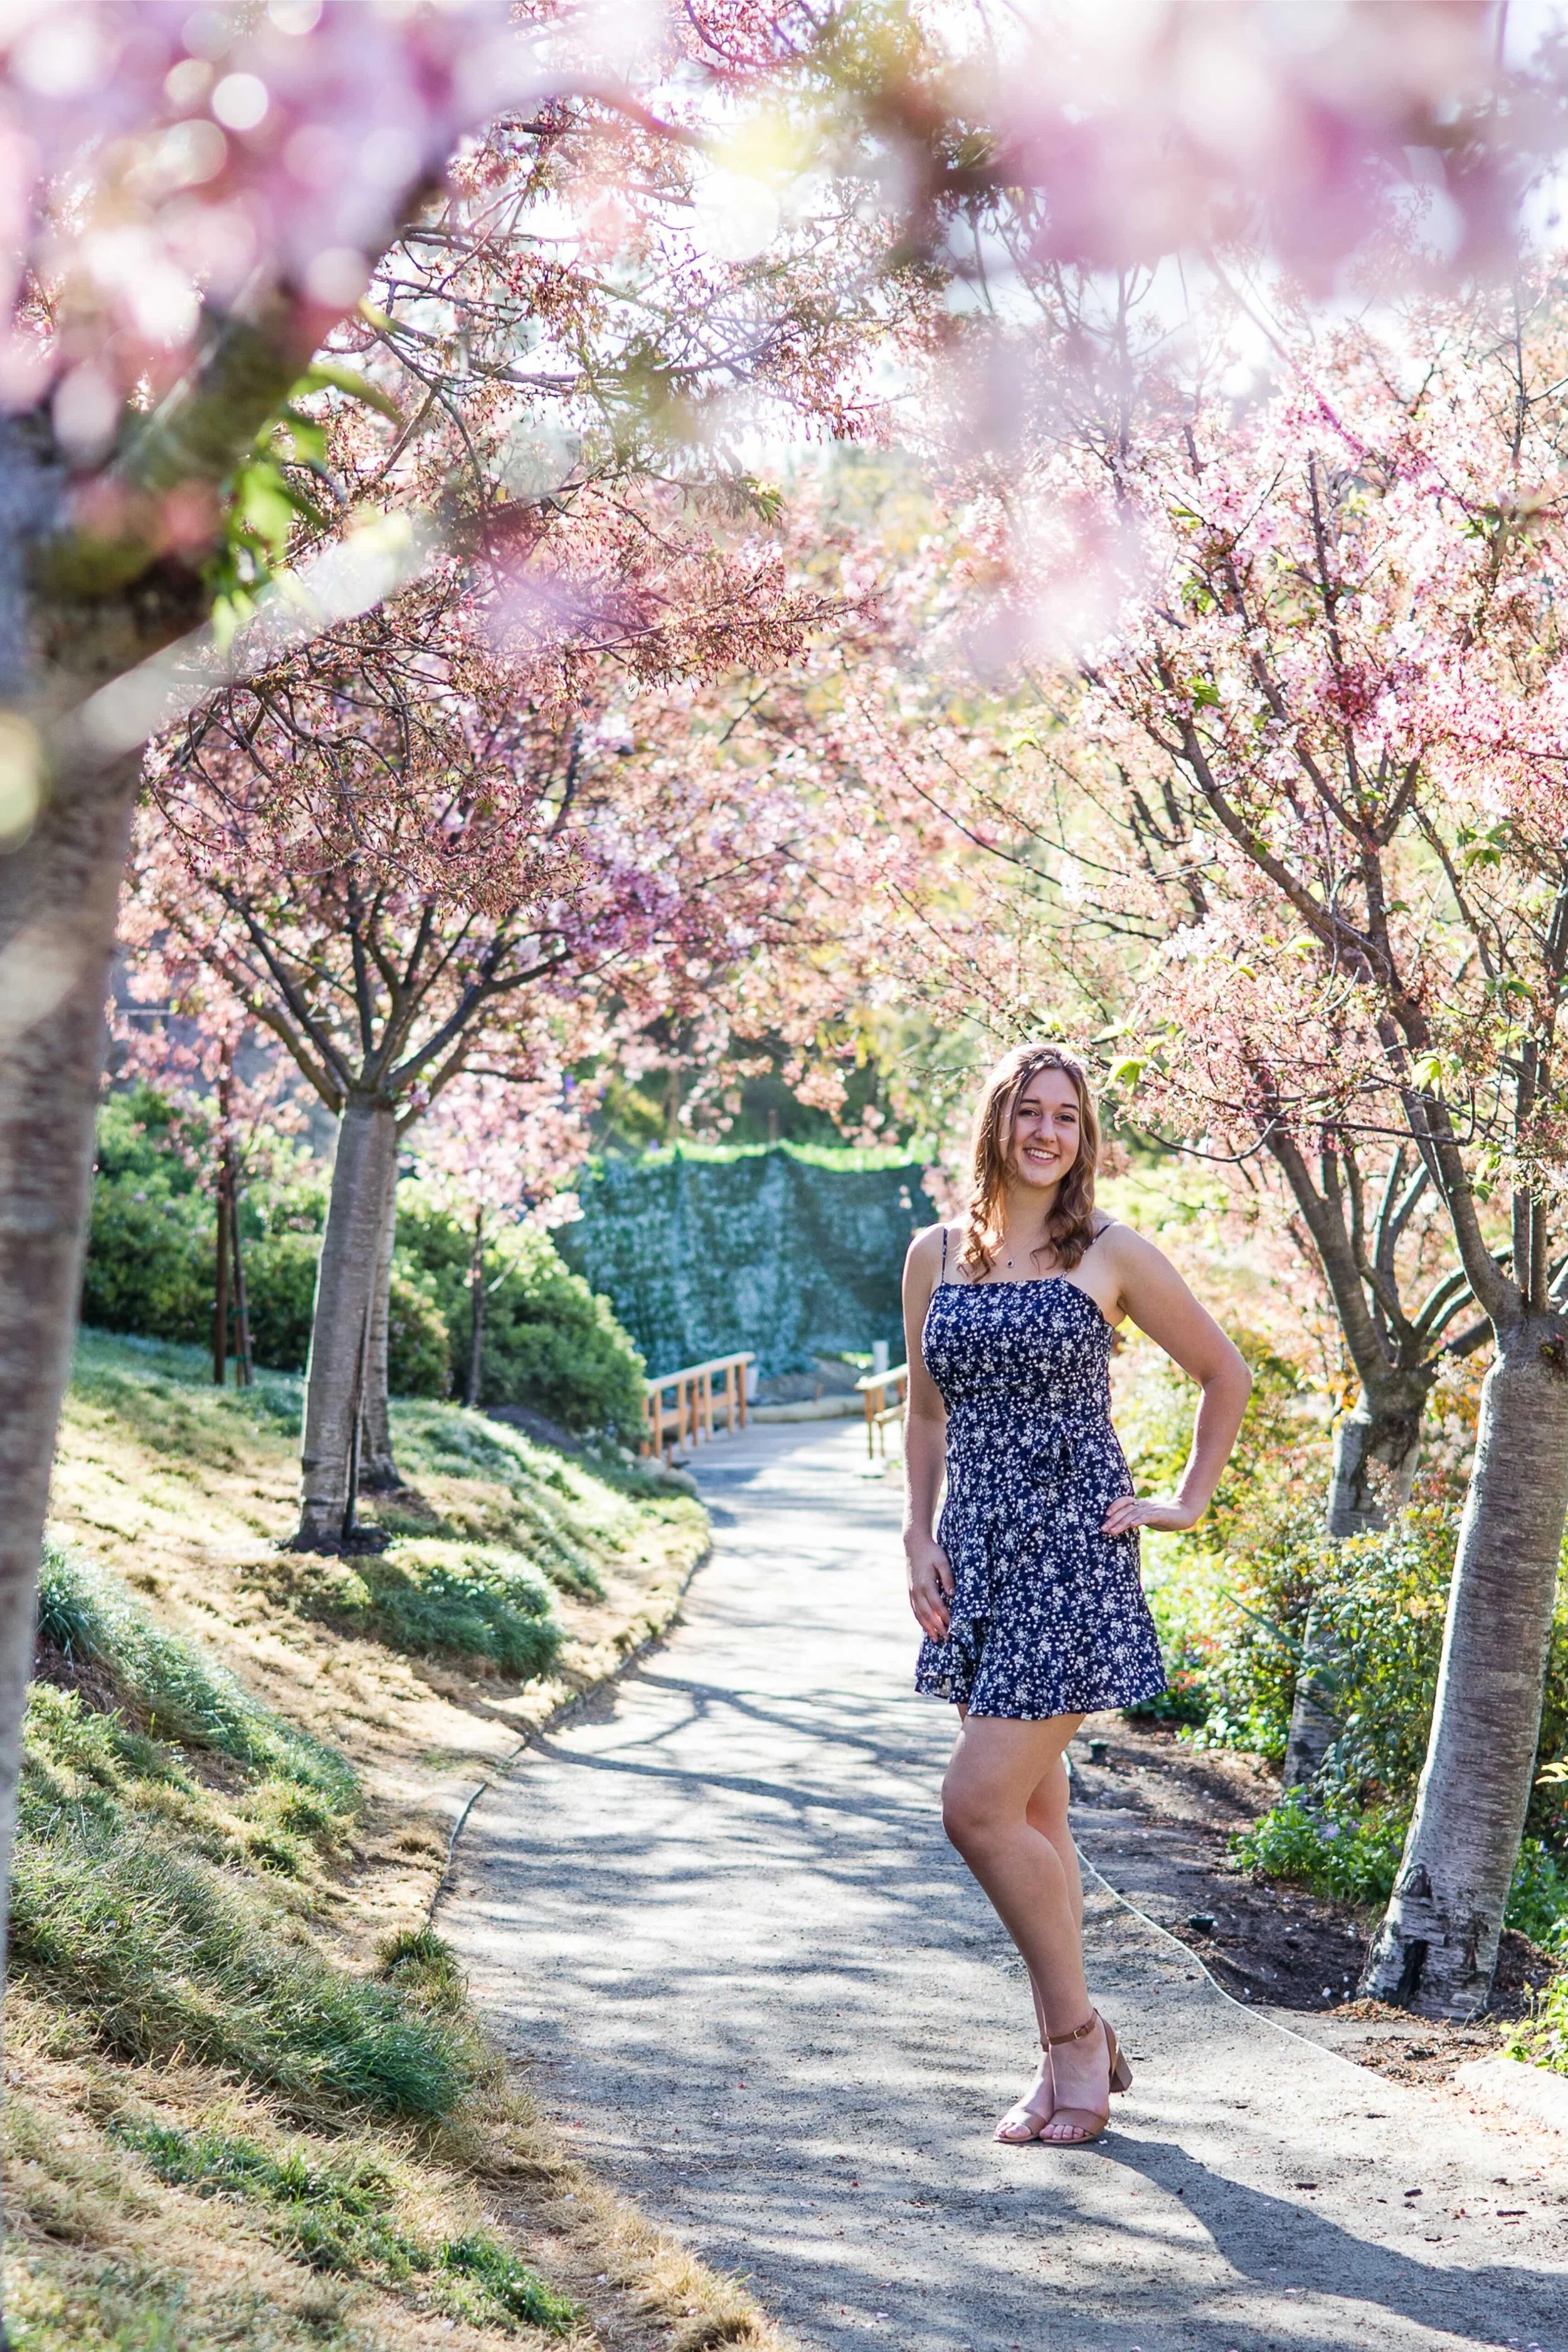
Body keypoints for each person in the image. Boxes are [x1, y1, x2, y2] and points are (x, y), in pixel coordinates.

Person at [902, 1040, 1251, 2147]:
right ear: (997, 1125)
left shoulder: (1108, 1252)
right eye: (1029, 1112)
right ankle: (1065, 2058)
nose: (1048, 1131)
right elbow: (925, 1411)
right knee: (1035, 1816)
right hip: (980, 1560)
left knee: (977, 1806)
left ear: (1082, 1137)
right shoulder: (933, 1255)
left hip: (1071, 1560)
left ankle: (1075, 2041)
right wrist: (917, 1532)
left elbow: (1224, 1373)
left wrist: (1186, 1501)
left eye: (1067, 1116)